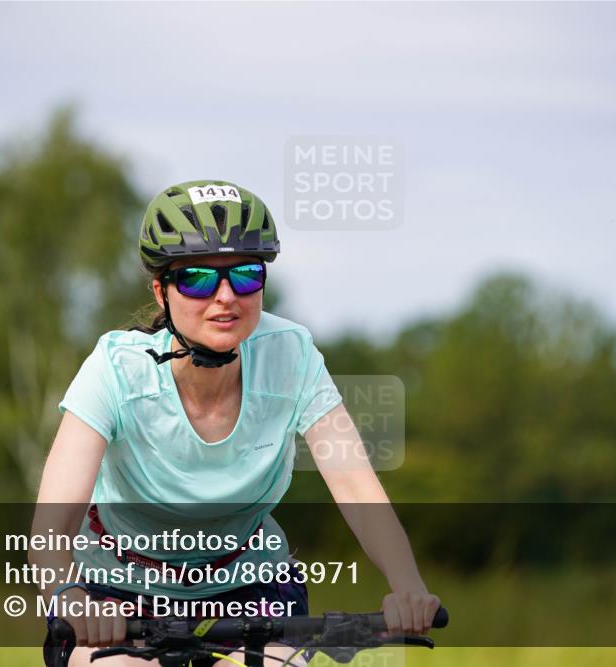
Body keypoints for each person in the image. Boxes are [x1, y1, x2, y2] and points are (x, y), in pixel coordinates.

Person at [32, 180, 440, 667]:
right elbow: (51, 527)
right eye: (199, 280)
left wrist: (408, 586)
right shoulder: (114, 369)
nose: (225, 297)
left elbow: (355, 487)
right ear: (161, 291)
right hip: (117, 588)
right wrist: (70, 595)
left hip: (251, 584)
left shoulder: (291, 353)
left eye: (246, 276)